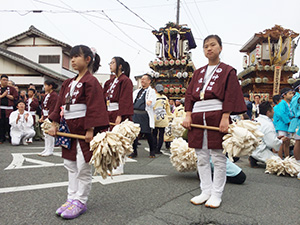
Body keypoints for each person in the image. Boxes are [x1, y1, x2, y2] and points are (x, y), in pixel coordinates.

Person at [183, 35, 246, 208]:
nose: (209, 49)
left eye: (213, 45)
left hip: (216, 114)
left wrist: (225, 117)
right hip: (197, 115)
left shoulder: (228, 70)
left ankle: (217, 193)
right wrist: (188, 114)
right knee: (201, 157)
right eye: (206, 46)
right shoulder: (198, 72)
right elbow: (189, 95)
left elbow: (231, 94)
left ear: (220, 48)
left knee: (218, 157)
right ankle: (205, 191)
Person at [47, 45, 109, 219]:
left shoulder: (91, 82)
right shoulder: (68, 82)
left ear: (88, 59)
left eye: (76, 57)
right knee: (70, 164)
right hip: (68, 128)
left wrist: (91, 129)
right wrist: (54, 124)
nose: (72, 60)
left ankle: (81, 200)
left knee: (83, 166)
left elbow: (95, 105)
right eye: (71, 57)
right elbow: (59, 104)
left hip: (83, 129)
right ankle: (71, 197)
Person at [103, 56, 133, 175]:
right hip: (108, 111)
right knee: (109, 139)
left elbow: (125, 99)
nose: (110, 65)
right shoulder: (109, 82)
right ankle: (111, 165)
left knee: (118, 140)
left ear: (120, 66)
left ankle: (119, 167)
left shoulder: (125, 80)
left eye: (113, 63)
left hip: (118, 113)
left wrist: (120, 115)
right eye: (109, 63)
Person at [250, 101, 288, 167]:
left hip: (251, 148)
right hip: (260, 150)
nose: (274, 111)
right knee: (280, 163)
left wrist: (277, 138)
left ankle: (252, 157)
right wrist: (281, 140)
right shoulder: (268, 124)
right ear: (268, 112)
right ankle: (254, 157)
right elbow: (272, 143)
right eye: (272, 110)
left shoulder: (255, 120)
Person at [129, 74, 156, 158]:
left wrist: (150, 102)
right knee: (134, 134)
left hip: (144, 114)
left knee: (147, 133)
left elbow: (152, 102)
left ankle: (152, 151)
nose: (142, 81)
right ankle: (134, 151)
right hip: (135, 114)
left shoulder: (151, 91)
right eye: (142, 79)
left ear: (149, 81)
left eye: (144, 79)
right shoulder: (137, 91)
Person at [38, 80, 58, 156]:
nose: (45, 87)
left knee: (50, 133)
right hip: (46, 114)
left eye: (46, 85)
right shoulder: (47, 95)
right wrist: (42, 116)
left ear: (50, 86)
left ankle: (50, 149)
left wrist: (50, 116)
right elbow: (43, 107)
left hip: (50, 115)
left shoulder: (54, 95)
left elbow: (53, 107)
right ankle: (46, 148)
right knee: (45, 133)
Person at [273, 87, 294, 159]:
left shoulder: (289, 103)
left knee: (287, 143)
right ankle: (280, 159)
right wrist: (288, 122)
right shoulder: (282, 103)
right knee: (281, 143)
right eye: (290, 93)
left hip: (288, 125)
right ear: (284, 95)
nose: (292, 95)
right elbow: (282, 113)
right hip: (282, 125)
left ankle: (287, 158)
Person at [153, 84, 172, 154]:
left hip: (155, 117)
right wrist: (170, 116)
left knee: (154, 134)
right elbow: (168, 109)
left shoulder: (154, 97)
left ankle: (154, 148)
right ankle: (158, 149)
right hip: (163, 117)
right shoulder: (165, 98)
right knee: (161, 134)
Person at [0, 74, 19, 144]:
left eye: (6, 80)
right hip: (0, 108)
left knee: (9, 123)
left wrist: (7, 95)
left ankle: (11, 138)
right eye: (3, 80)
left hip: (9, 109)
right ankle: (1, 138)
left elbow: (15, 97)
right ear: (0, 80)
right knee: (1, 123)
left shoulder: (12, 89)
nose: (5, 81)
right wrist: (2, 96)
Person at [288, 80, 300, 161]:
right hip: (298, 121)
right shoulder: (298, 98)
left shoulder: (295, 97)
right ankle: (297, 160)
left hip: (296, 121)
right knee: (298, 141)